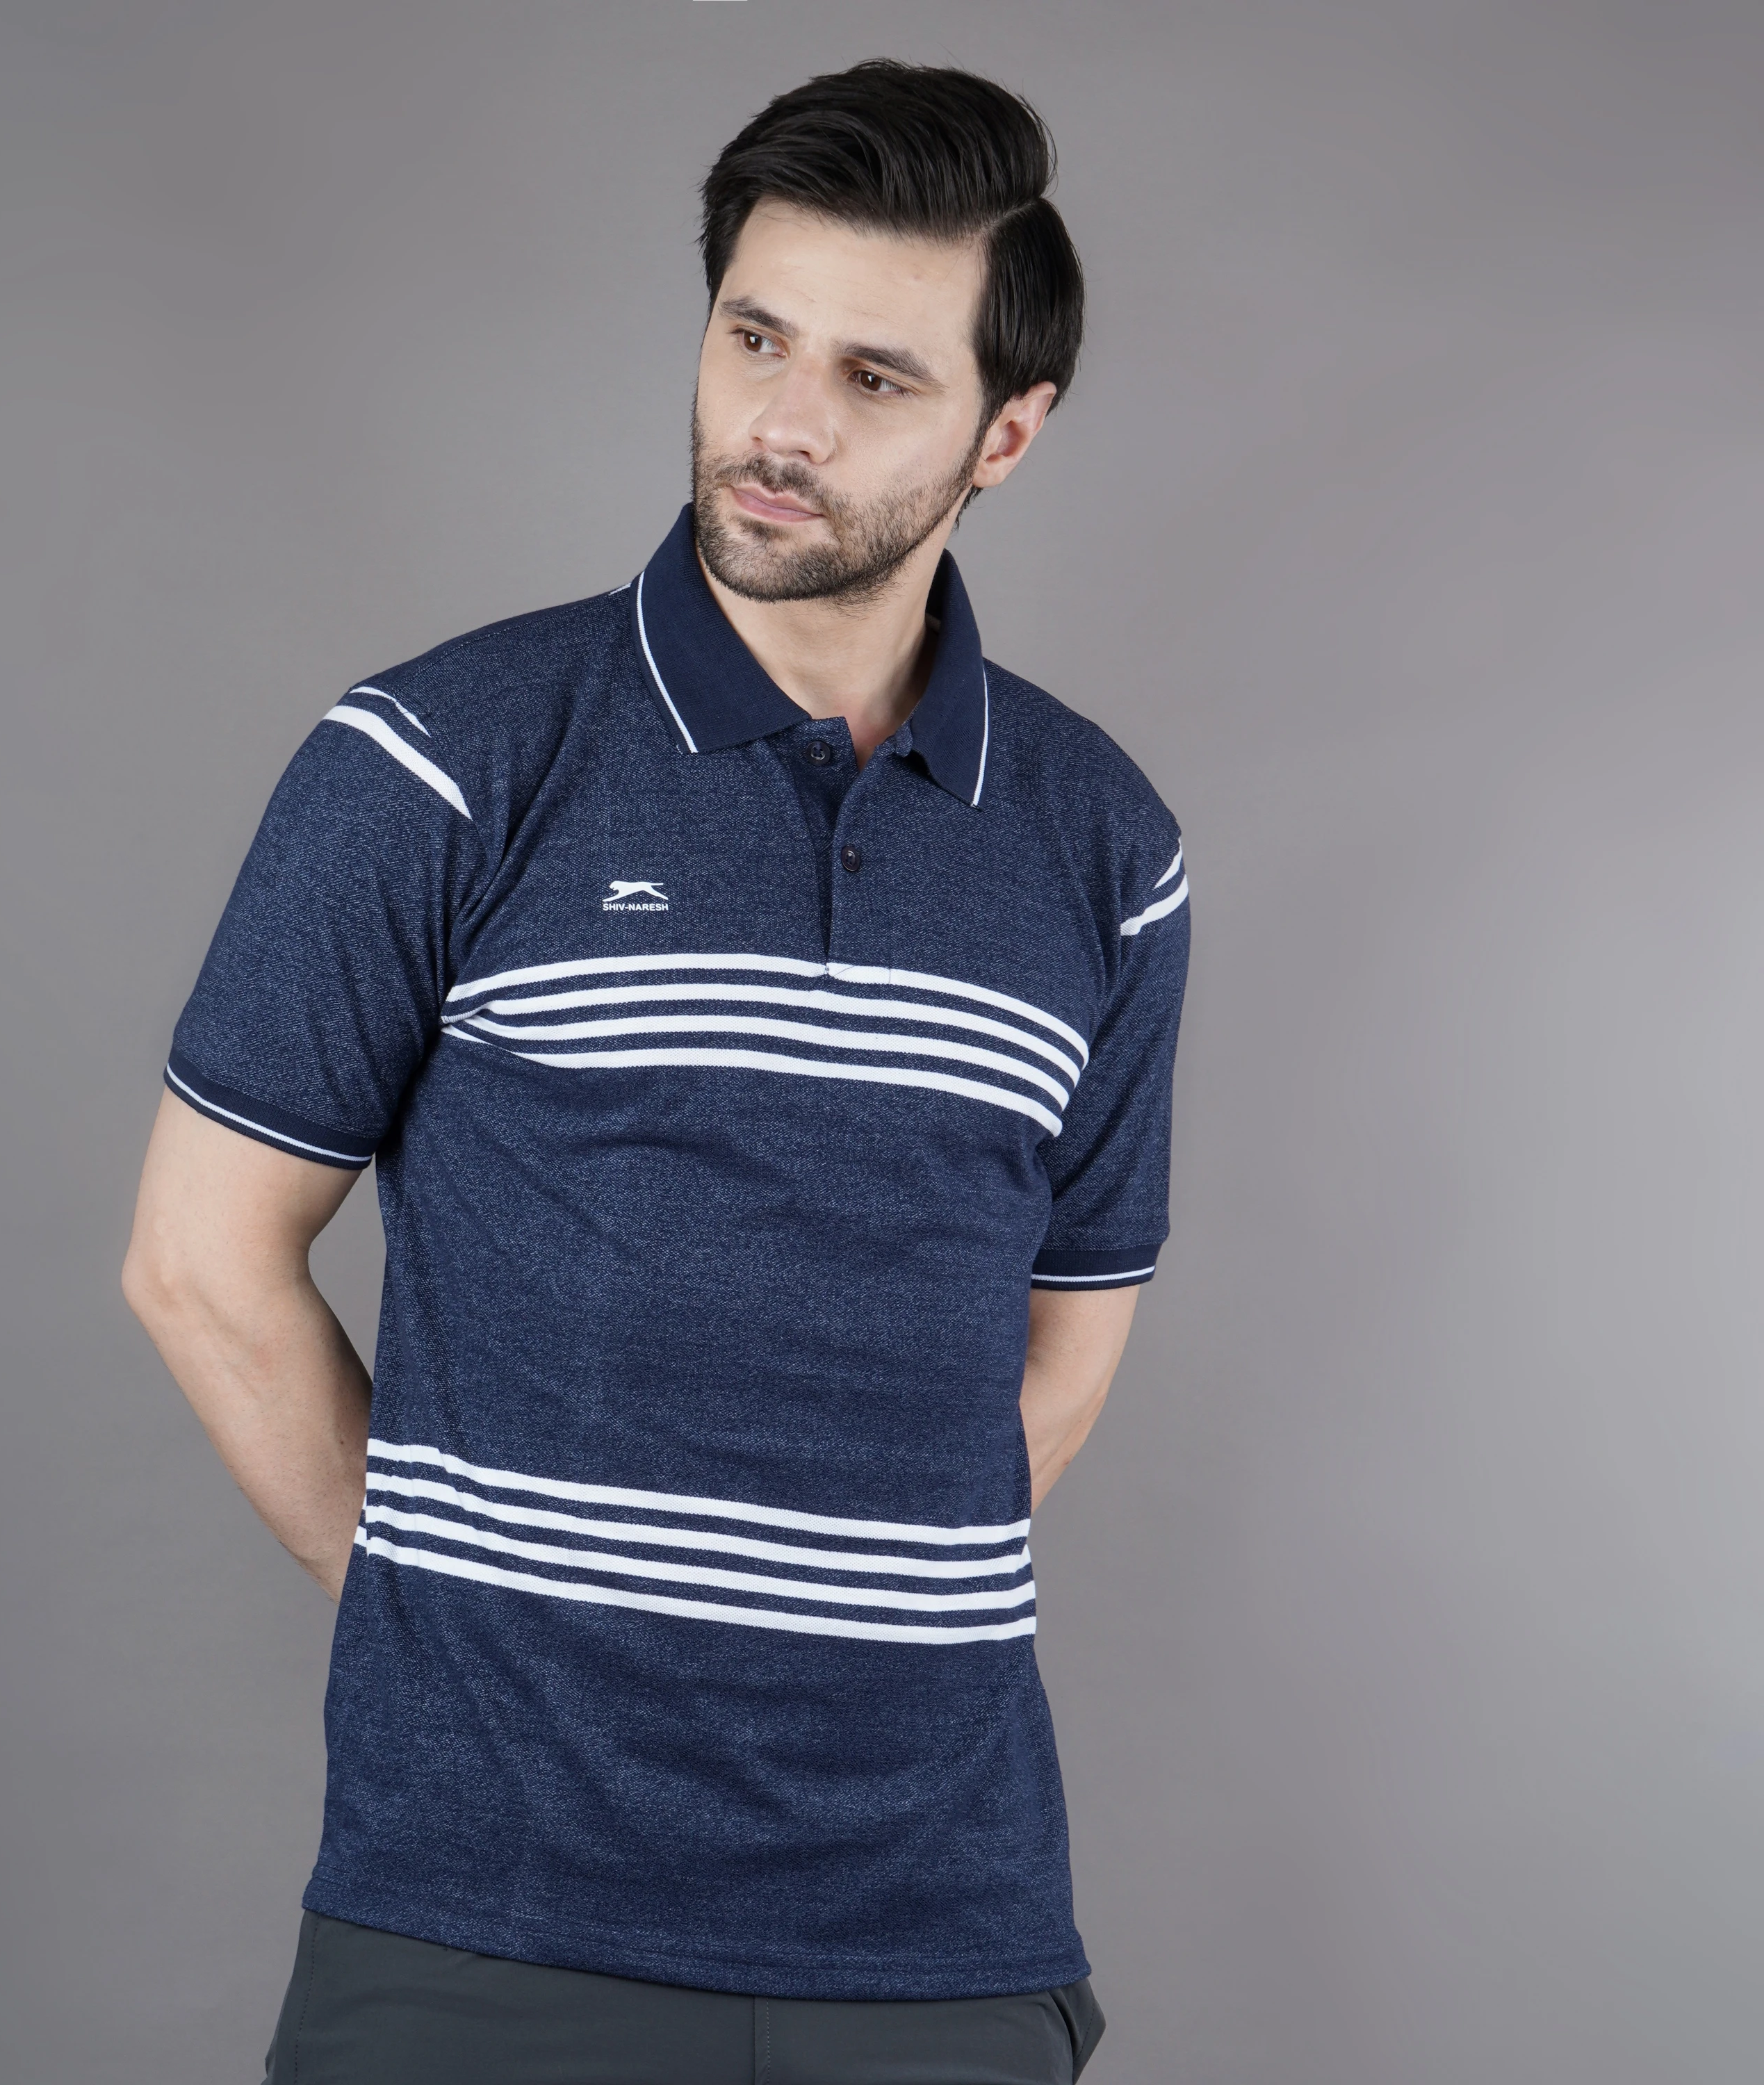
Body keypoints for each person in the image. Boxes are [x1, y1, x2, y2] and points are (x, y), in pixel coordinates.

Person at [123, 57, 1189, 2085]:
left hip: (943, 1946)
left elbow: (1058, 1359)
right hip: (481, 1927)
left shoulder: (1101, 846)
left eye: (877, 377)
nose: (783, 424)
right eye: (753, 337)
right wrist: (471, 1624)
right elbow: (200, 1261)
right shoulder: (445, 755)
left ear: (1008, 430)